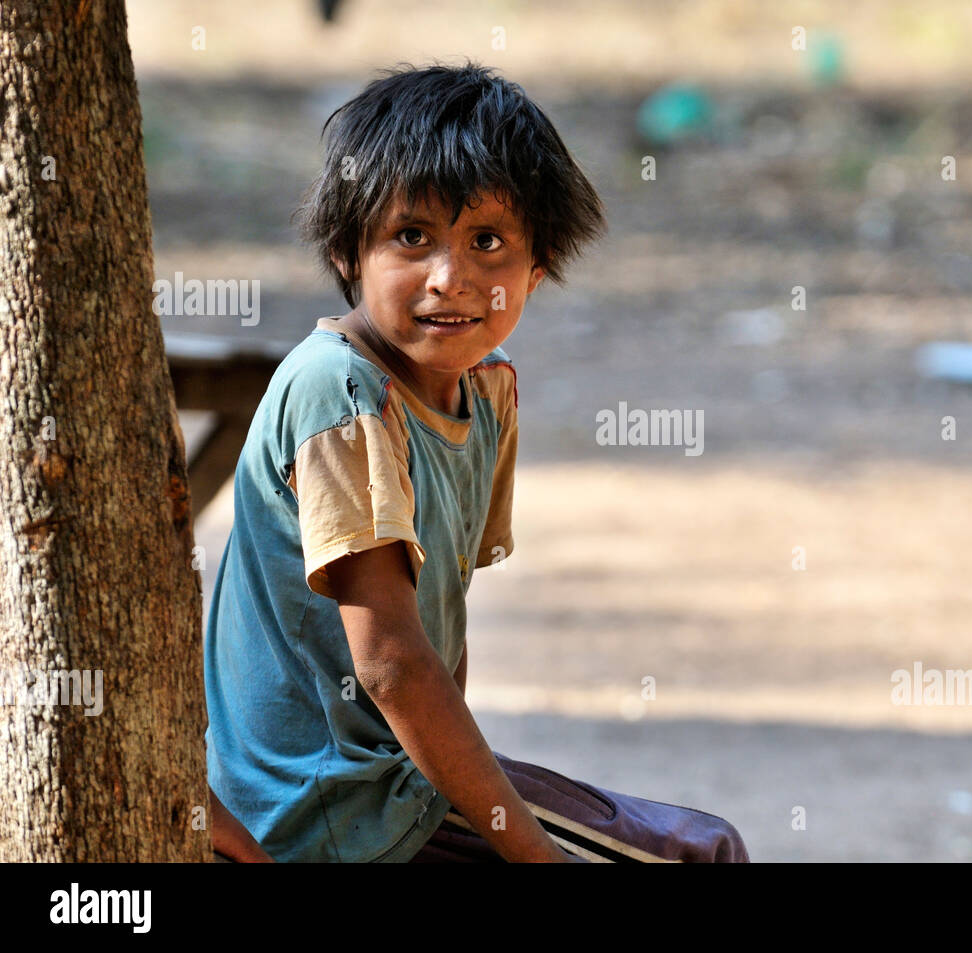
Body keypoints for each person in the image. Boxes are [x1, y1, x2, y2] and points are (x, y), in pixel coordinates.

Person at [203, 61, 749, 863]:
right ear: (348, 250)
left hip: (389, 790)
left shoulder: (484, 392)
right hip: (326, 814)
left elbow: (439, 643)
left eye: (486, 242)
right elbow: (392, 664)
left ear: (539, 266)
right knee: (697, 852)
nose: (450, 278)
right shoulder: (343, 394)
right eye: (411, 237)